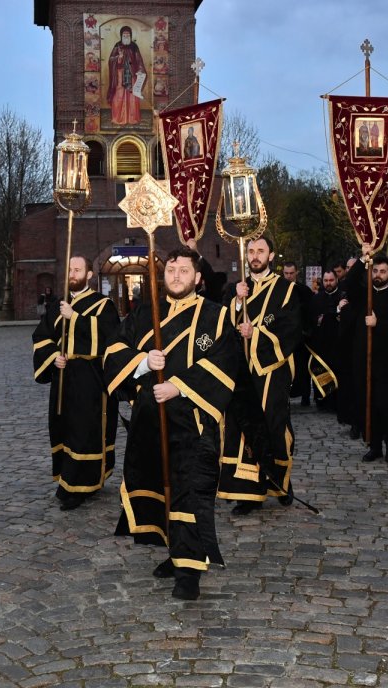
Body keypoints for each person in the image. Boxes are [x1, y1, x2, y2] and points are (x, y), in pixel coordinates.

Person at [103, 247, 239, 601]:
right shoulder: (145, 312)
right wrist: (144, 361)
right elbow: (112, 350)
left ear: (197, 277)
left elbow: (225, 361)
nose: (176, 276)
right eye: (171, 270)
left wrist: (178, 385)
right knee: (159, 487)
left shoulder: (216, 316)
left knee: (189, 492)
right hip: (150, 419)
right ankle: (175, 551)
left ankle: (190, 569)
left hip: (194, 421)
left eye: (183, 271)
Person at [219, 234, 304, 515]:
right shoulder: (236, 289)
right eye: (251, 251)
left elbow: (290, 331)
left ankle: (280, 483)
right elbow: (221, 326)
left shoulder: (286, 290)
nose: (254, 256)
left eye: (260, 251)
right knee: (243, 431)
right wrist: (238, 304)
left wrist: (255, 334)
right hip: (241, 375)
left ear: (271, 256)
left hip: (271, 372)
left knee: (274, 428)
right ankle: (248, 492)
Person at [32, 255, 120, 510]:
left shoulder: (103, 305)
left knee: (85, 431)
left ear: (89, 275)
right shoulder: (59, 305)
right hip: (63, 376)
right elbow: (41, 336)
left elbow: (110, 337)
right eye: (69, 269)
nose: (72, 274)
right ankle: (67, 478)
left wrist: (75, 318)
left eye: (78, 269)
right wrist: (52, 357)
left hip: (90, 379)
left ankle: (81, 485)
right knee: (64, 427)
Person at [340, 251, 388, 463]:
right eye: (375, 271)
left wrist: (379, 324)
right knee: (367, 406)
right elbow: (349, 282)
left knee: (385, 406)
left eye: (383, 271)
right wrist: (362, 260)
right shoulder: (363, 295)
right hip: (363, 362)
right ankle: (374, 445)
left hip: (386, 363)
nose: (379, 274)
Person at [308, 269, 345, 412]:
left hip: (338, 344)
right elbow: (313, 320)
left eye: (331, 280)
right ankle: (322, 401)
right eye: (326, 281)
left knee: (337, 374)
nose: (328, 283)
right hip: (321, 344)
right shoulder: (316, 299)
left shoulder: (343, 296)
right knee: (322, 372)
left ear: (336, 280)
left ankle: (336, 402)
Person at [281, 261, 313, 407]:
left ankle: (305, 396)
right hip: (284, 337)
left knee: (303, 368)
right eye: (286, 273)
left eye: (291, 273)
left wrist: (306, 332)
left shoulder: (304, 290)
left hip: (301, 337)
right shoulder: (277, 290)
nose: (288, 276)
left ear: (296, 273)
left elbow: (310, 312)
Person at [107, 25, 146, 125]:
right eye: (124, 34)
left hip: (132, 75)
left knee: (132, 96)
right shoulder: (117, 46)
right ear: (121, 35)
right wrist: (118, 58)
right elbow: (111, 60)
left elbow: (139, 60)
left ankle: (132, 119)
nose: (126, 36)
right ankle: (118, 118)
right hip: (120, 75)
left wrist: (141, 70)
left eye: (128, 34)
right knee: (118, 96)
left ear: (131, 35)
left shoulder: (134, 46)